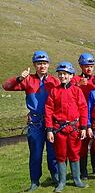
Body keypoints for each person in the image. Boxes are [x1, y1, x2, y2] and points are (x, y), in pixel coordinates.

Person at [2, 50, 59, 191]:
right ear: (34, 65)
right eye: (39, 63)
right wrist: (19, 78)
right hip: (35, 123)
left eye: (45, 63)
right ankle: (34, 181)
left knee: (53, 153)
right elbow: (6, 86)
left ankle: (56, 177)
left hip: (52, 122)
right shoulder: (28, 80)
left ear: (48, 65)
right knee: (35, 153)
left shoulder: (54, 81)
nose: (42, 66)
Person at [45, 62, 88, 192]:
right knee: (61, 155)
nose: (62, 76)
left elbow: (83, 109)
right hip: (59, 129)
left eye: (65, 74)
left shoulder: (77, 90)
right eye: (60, 74)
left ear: (71, 76)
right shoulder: (54, 91)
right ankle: (62, 181)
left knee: (75, 154)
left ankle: (77, 179)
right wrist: (49, 130)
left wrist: (84, 127)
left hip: (74, 129)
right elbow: (49, 110)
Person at [71, 52, 95, 179]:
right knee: (82, 145)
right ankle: (83, 171)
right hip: (81, 117)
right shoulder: (75, 80)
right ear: (81, 66)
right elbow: (66, 93)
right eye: (86, 66)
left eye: (91, 66)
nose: (89, 68)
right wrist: (78, 85)